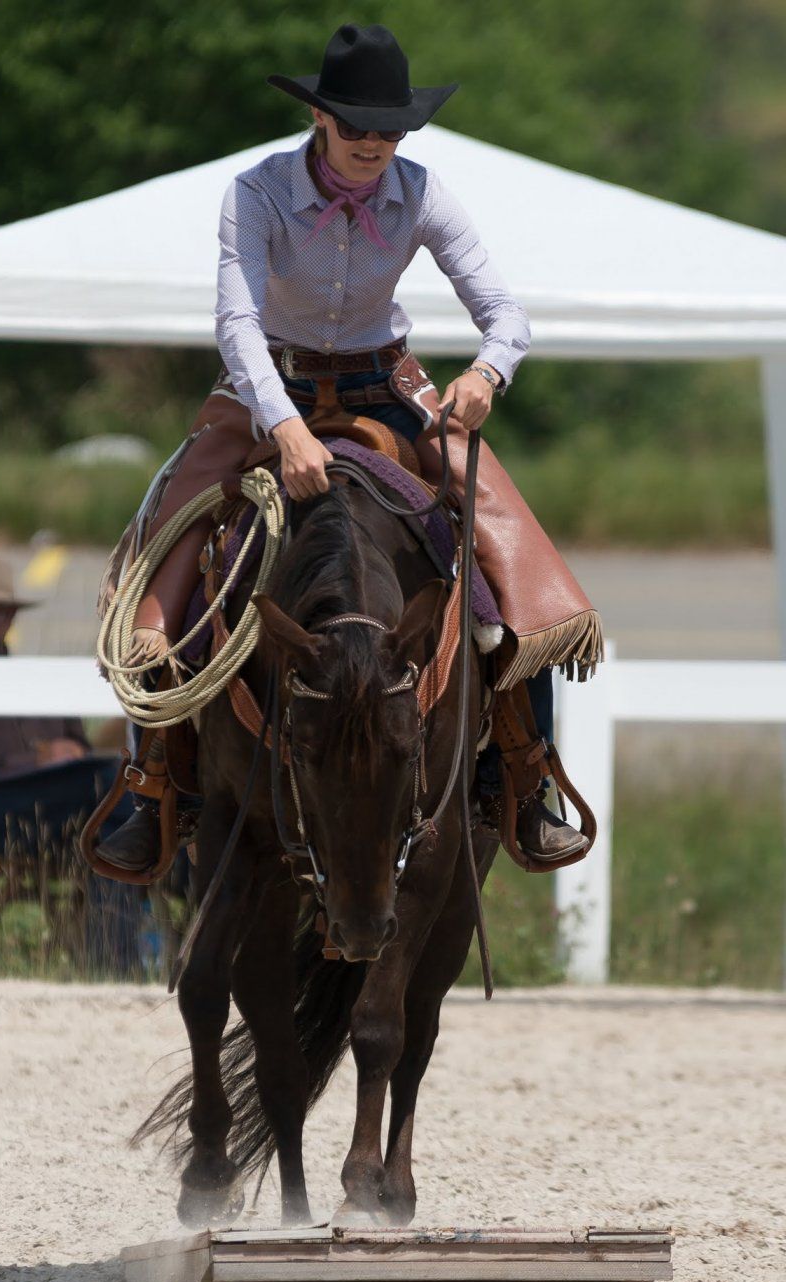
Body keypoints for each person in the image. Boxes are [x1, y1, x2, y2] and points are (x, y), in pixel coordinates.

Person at [96, 23, 599, 875]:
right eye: (358, 125)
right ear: (320, 118)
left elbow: (504, 312)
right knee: (172, 543)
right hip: (268, 387)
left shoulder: (423, 191)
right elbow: (237, 323)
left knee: (506, 553)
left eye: (390, 129)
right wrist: (284, 426)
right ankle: (153, 785)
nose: (374, 143)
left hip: (384, 382)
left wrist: (487, 373)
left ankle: (521, 772)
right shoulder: (256, 192)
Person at [0, 552, 142, 971]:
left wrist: (71, 753)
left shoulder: (36, 679)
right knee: (113, 790)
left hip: (59, 812)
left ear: (11, 618)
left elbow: (78, 744)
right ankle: (123, 954)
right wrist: (33, 760)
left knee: (126, 804)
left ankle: (116, 959)